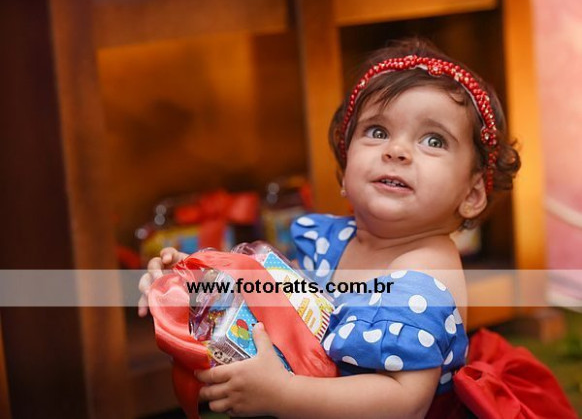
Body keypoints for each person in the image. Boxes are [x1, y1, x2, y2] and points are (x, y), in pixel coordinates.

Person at [138, 38, 520, 418]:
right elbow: (277, 299)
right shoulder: (334, 240)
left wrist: (284, 393)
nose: (396, 150)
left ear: (472, 194)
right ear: (345, 164)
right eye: (377, 132)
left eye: (433, 140)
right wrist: (196, 280)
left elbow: (405, 403)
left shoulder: (424, 275)